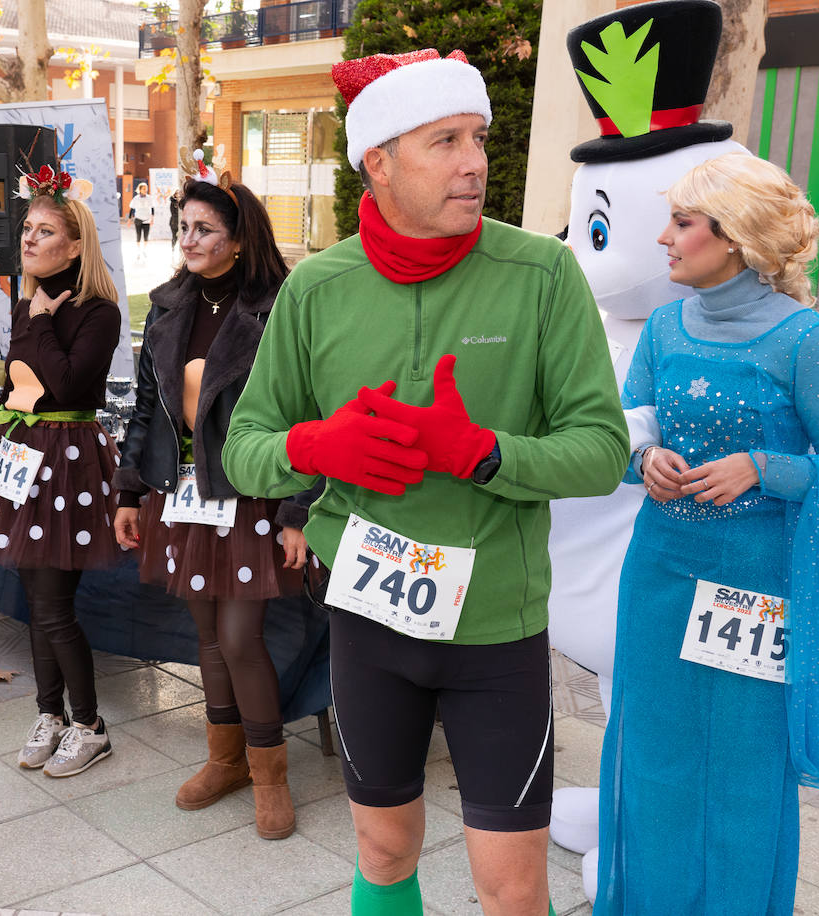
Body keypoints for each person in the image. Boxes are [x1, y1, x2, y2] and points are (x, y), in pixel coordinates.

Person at [222, 48, 629, 914]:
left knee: (512, 885)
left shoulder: (542, 275)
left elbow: (600, 451)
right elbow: (243, 449)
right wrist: (317, 447)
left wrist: (485, 453)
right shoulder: (317, 289)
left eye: (478, 138)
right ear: (379, 161)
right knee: (382, 845)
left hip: (498, 630)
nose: (476, 162)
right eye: (444, 141)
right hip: (370, 619)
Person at [600, 153, 819, 914]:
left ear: (733, 238)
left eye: (682, 222)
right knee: (653, 755)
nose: (664, 237)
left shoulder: (808, 341)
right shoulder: (666, 325)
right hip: (660, 574)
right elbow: (626, 428)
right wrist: (644, 459)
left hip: (754, 588)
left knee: (742, 764)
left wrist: (761, 468)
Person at [113, 164, 311, 840]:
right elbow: (147, 407)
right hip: (184, 495)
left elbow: (306, 415)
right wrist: (130, 491)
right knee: (207, 638)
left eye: (204, 229)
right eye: (184, 228)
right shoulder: (170, 304)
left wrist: (296, 512)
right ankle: (224, 760)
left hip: (252, 496)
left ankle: (270, 775)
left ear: (237, 239)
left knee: (238, 637)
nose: (189, 240)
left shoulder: (279, 306)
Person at [0, 164, 122, 777]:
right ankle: (50, 713)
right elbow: (12, 395)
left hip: (70, 464)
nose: (28, 239)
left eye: (45, 231)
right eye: (27, 228)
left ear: (75, 245)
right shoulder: (27, 300)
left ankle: (90, 724)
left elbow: (65, 384)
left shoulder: (97, 312)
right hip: (20, 457)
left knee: (53, 605)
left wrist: (35, 321)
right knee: (36, 602)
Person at [129, 182, 154, 247]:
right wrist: (129, 220)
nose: (145, 190)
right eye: (143, 189)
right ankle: (138, 250)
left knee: (146, 236)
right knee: (138, 236)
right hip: (138, 219)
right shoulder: (136, 198)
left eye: (146, 188)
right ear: (140, 190)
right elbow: (132, 209)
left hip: (147, 219)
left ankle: (144, 249)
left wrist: (152, 219)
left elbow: (152, 208)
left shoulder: (149, 198)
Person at [168, 187, 180, 253]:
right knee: (174, 237)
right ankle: (173, 249)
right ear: (175, 195)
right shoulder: (173, 202)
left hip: (181, 222)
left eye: (179, 193)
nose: (178, 195)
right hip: (174, 222)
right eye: (177, 193)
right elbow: (173, 213)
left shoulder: (183, 202)